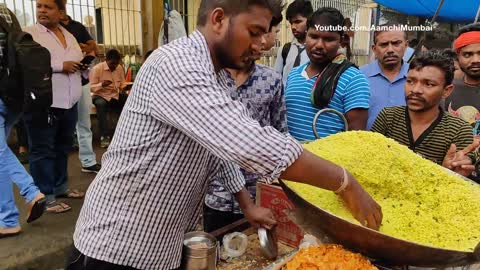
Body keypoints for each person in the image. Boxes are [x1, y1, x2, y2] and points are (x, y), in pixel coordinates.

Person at [68, 1, 382, 269]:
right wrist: (344, 181)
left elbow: (220, 150)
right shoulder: (177, 65)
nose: (261, 45)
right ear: (219, 19)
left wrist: (247, 206)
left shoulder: (218, 78)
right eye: (254, 32)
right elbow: (248, 143)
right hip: (117, 244)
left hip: (162, 243)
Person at [204, 15, 286, 232]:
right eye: (253, 33)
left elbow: (280, 133)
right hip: (215, 193)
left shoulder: (272, 80)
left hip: (257, 193)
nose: (259, 43)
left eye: (265, 33)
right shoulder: (207, 79)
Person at [372, 50, 477, 177]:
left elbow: (456, 183)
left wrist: (448, 172)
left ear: (446, 91)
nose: (415, 90)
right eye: (410, 81)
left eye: (429, 84)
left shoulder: (459, 130)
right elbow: (370, 160)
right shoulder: (388, 117)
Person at [24, 0, 86, 214]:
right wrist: (61, 66)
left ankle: (60, 187)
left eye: (47, 7)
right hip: (43, 103)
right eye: (39, 6)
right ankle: (45, 196)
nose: (41, 10)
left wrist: (83, 66)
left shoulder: (69, 36)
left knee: (62, 147)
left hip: (69, 102)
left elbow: (76, 60)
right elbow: (27, 66)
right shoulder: (29, 35)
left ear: (60, 12)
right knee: (42, 150)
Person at [285, 7, 370, 141]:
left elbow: (357, 140)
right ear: (306, 34)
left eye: (329, 39)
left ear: (341, 40)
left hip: (327, 161)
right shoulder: (294, 74)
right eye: (314, 36)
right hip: (291, 159)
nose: (319, 45)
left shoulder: (354, 80)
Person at [0, 3, 46, 238]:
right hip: (16, 95)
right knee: (0, 155)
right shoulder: (5, 11)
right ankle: (7, 219)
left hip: (1, 93)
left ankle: (30, 193)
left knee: (0, 154)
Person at [60, 2, 101, 173]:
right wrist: (82, 47)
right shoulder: (48, 30)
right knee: (61, 126)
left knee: (84, 122)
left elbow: (94, 48)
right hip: (60, 83)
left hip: (81, 80)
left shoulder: (77, 26)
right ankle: (58, 172)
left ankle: (88, 160)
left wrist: (84, 48)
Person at [444, 23, 480, 181]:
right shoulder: (446, 91)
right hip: (455, 177)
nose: (475, 60)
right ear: (458, 58)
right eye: (468, 54)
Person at [360, 23, 410, 130]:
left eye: (396, 43)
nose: (390, 50)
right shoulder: (358, 77)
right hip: (367, 144)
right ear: (374, 49)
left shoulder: (417, 77)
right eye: (384, 44)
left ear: (406, 45)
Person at [90, 49, 128, 148]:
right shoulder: (97, 69)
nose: (114, 66)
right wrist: (101, 84)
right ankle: (104, 135)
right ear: (106, 60)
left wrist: (124, 87)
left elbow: (122, 82)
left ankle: (125, 132)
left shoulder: (119, 68)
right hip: (100, 95)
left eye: (116, 64)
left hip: (114, 95)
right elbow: (91, 87)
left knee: (127, 100)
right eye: (112, 64)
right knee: (101, 104)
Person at [274, 0, 312, 84]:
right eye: (291, 23)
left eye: (297, 22)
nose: (293, 27)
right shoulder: (284, 50)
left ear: (309, 21)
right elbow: (276, 79)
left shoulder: (315, 50)